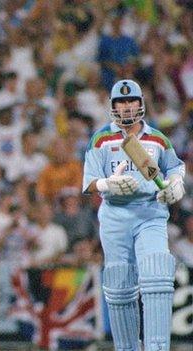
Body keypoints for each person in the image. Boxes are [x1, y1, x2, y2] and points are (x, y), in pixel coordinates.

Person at [82, 79, 185, 351]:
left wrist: (176, 185)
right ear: (113, 106)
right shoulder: (101, 138)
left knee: (156, 276)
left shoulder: (157, 139)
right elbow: (90, 181)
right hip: (115, 216)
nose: (127, 107)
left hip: (150, 212)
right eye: (121, 102)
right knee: (119, 286)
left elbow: (175, 168)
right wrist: (106, 184)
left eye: (131, 101)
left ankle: (157, 348)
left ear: (141, 104)